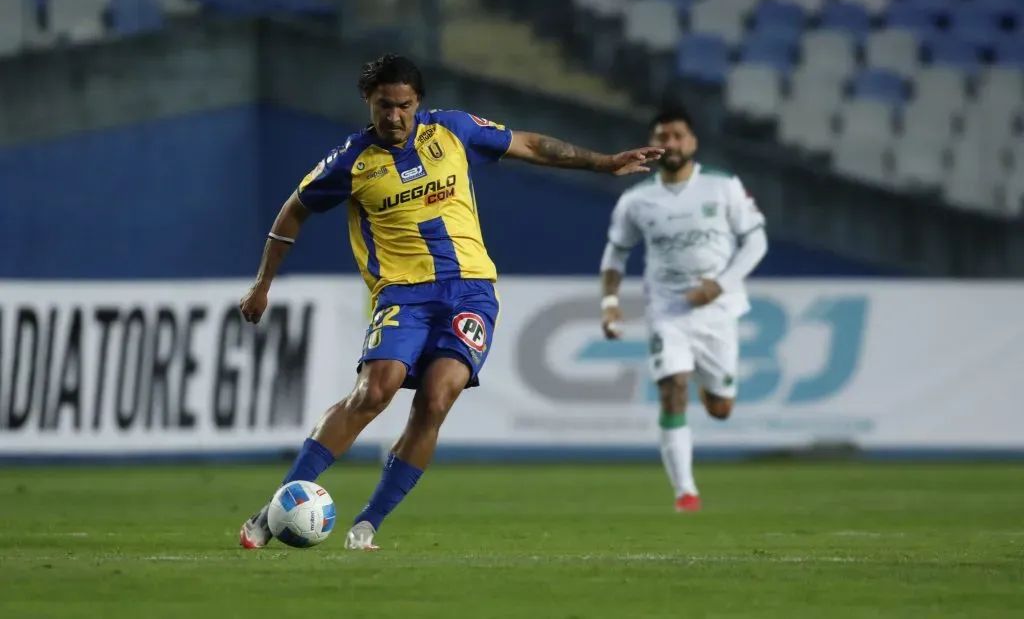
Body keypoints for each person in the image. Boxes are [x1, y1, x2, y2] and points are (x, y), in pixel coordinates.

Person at [237, 54, 663, 550]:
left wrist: (604, 162)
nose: (394, 117)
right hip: (402, 294)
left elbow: (527, 143)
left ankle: (367, 523)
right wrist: (263, 283)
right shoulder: (351, 162)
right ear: (367, 104)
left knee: (437, 400)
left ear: (418, 102)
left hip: (471, 291)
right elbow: (293, 212)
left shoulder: (454, 131)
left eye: (403, 105)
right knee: (375, 391)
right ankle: (276, 510)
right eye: (383, 106)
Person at [598, 105, 768, 512]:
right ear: (653, 143)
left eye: (677, 136)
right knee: (672, 389)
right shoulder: (637, 200)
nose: (670, 143)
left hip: (718, 309)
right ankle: (686, 494)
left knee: (721, 408)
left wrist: (719, 285)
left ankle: (713, 389)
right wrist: (609, 304)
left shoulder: (723, 187)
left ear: (692, 141)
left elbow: (756, 241)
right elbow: (615, 254)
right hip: (667, 310)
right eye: (662, 136)